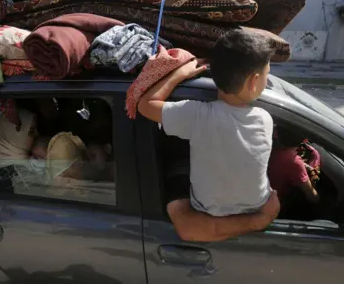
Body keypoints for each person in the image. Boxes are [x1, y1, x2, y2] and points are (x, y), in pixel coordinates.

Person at [137, 29, 280, 242]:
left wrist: (180, 74)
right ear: (253, 82)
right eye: (266, 77)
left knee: (177, 160)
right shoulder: (265, 119)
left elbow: (145, 106)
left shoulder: (197, 115)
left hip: (206, 210)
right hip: (258, 206)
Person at [268, 127, 320, 205]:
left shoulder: (266, 143)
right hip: (271, 203)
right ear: (305, 140)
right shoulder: (294, 163)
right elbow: (312, 197)